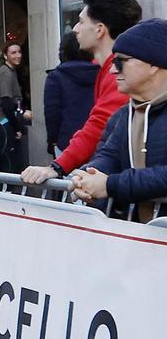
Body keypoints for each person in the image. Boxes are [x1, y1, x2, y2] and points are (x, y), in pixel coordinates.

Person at [22, 0, 142, 185]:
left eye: (81, 21)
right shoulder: (107, 69)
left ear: (100, 29)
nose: (75, 29)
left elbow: (99, 125)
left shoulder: (118, 72)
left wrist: (57, 166)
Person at [71, 19, 167, 219]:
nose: (113, 69)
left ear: (153, 64)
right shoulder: (123, 115)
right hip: (138, 239)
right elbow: (108, 155)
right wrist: (87, 177)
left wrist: (110, 185)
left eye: (120, 61)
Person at [43, 32, 97, 157]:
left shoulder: (56, 77)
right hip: (97, 141)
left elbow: (52, 113)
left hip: (67, 142)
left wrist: (52, 140)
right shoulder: (102, 72)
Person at [0, 42, 32, 173]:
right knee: (9, 163)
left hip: (4, 122)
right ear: (5, 56)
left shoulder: (9, 72)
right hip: (3, 122)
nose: (18, 55)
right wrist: (16, 127)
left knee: (10, 161)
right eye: (13, 53)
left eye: (19, 52)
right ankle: (7, 191)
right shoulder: (5, 73)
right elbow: (6, 103)